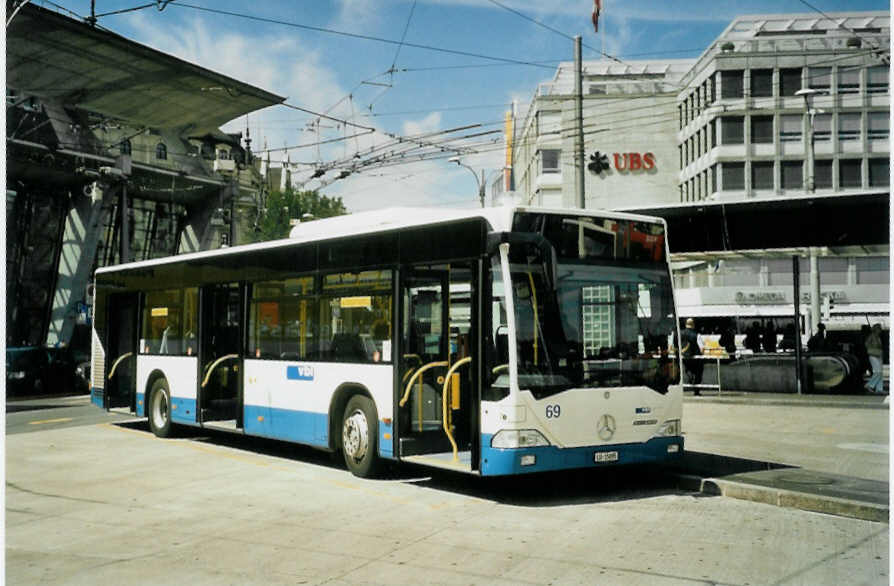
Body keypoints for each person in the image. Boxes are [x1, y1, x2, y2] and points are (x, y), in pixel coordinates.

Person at [681, 318, 703, 395]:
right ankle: (696, 391)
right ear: (693, 325)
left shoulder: (680, 334)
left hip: (684, 357)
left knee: (688, 370)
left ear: (686, 324)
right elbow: (701, 348)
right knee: (698, 374)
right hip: (695, 358)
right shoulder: (697, 335)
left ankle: (690, 377)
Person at [865, 324, 885, 394]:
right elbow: (866, 344)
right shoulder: (872, 336)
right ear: (875, 329)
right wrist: (872, 347)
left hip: (878, 355)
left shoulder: (878, 337)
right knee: (878, 372)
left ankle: (879, 389)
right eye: (879, 329)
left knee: (880, 373)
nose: (880, 330)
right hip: (873, 355)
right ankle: (869, 385)